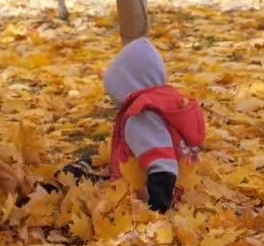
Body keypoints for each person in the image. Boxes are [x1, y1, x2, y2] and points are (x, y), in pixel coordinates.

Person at [46, 38, 205, 214]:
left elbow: (163, 166)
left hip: (151, 196)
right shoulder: (170, 102)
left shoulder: (141, 117)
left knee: (70, 178)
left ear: (127, 84)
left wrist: (155, 212)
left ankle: (47, 193)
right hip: (185, 190)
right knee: (92, 164)